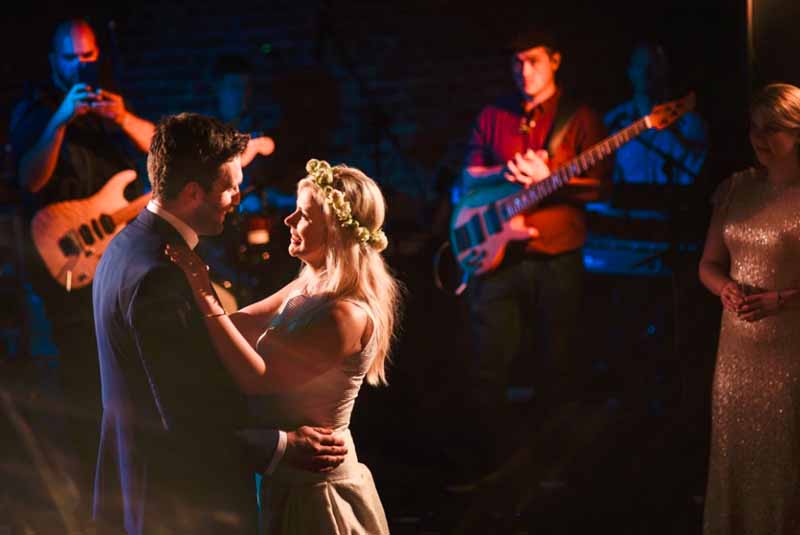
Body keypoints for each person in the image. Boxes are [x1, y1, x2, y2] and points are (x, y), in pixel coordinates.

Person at [92, 114, 347, 534]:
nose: (238, 199)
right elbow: (186, 419)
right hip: (182, 503)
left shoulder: (128, 243)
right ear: (193, 193)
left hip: (142, 485)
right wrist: (282, 445)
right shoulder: (161, 275)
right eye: (231, 187)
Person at [166, 158, 400, 534]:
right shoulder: (310, 283)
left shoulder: (345, 314)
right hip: (286, 477)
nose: (288, 221)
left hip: (318, 491)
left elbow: (258, 379)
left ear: (336, 231)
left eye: (303, 215)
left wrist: (204, 293)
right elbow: (240, 324)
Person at [8, 18, 155, 521]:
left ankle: (127, 492)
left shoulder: (110, 108)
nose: (82, 66)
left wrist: (124, 118)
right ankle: (91, 504)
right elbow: (30, 178)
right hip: (63, 269)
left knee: (126, 378)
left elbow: (166, 157)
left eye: (89, 56)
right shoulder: (36, 109)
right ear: (53, 62)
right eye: (72, 58)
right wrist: (61, 119)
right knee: (82, 382)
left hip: (115, 265)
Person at [458, 30, 612, 471]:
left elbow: (602, 186)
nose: (524, 72)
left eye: (534, 61)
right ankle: (494, 462)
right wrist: (509, 173)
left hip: (556, 256)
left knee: (558, 363)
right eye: (517, 62)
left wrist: (552, 173)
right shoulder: (493, 116)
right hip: (497, 258)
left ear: (556, 60)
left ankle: (555, 469)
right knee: (488, 364)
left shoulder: (579, 117)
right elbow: (469, 176)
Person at [699, 83, 800, 534]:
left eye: (772, 128)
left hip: (789, 353)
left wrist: (781, 299)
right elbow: (708, 263)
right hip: (735, 356)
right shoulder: (737, 188)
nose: (759, 137)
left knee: (782, 461)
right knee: (736, 456)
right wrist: (723, 289)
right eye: (754, 127)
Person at [604, 43, 707, 186]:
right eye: (639, 65)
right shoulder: (613, 121)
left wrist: (675, 135)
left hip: (675, 206)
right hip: (626, 208)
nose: (646, 72)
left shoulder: (689, 124)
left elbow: (697, 176)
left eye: (653, 65)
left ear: (664, 70)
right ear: (629, 71)